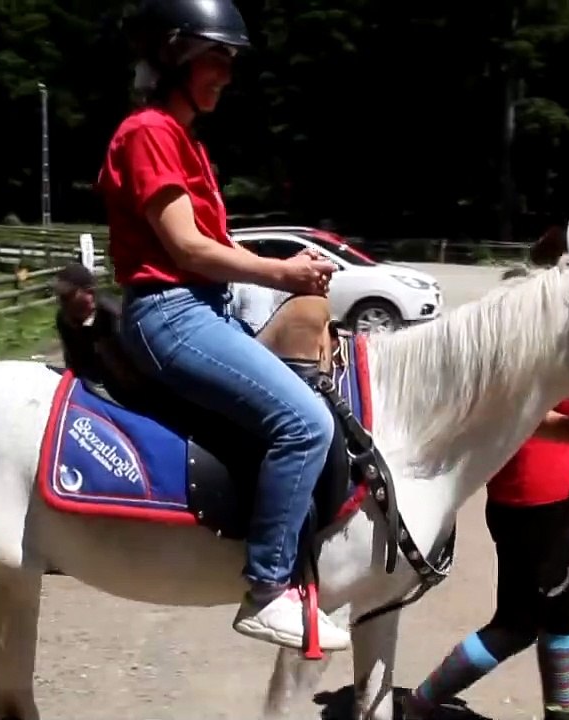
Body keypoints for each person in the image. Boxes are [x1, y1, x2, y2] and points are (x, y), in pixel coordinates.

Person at [96, 0, 349, 652]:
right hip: (171, 312)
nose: (226, 75)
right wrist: (283, 274)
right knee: (305, 422)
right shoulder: (147, 133)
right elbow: (188, 251)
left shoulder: (186, 143)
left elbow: (217, 246)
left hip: (206, 307)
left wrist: (277, 273)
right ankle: (268, 588)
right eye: (216, 58)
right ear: (175, 54)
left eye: (230, 62)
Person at [401, 263, 569, 720]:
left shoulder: (526, 342)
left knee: (557, 609)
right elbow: (515, 409)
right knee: (520, 622)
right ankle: (420, 704)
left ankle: (558, 709)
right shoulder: (523, 345)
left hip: (529, 499)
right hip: (538, 502)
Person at [51, 262, 128, 390]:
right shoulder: (64, 320)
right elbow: (74, 364)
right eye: (61, 297)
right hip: (90, 388)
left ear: (89, 293)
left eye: (67, 296)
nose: (63, 302)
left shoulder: (113, 315)